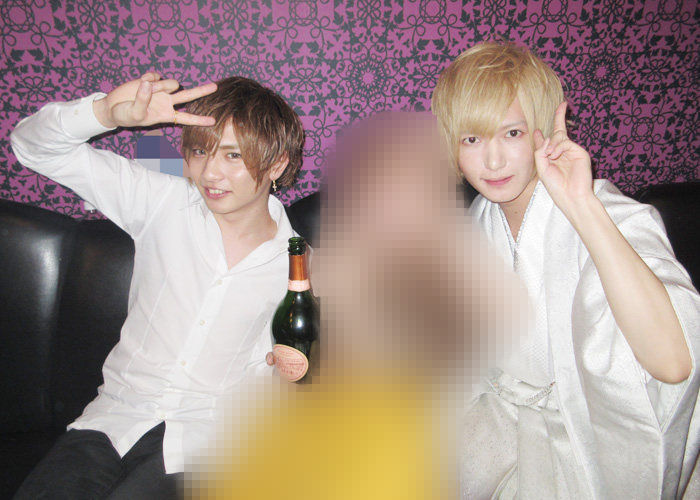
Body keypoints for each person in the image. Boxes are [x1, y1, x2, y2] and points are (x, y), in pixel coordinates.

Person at [9, 72, 305, 500]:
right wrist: (105, 113)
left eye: (233, 155)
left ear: (276, 164)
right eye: (200, 151)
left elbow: (284, 370)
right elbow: (31, 147)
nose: (209, 172)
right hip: (110, 421)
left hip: (206, 443)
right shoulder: (162, 201)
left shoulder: (300, 266)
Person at [431, 41, 700, 499]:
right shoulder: (477, 222)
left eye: (511, 133)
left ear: (542, 130)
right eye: (472, 139)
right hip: (500, 417)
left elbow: (674, 364)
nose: (493, 161)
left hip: (587, 432)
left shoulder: (612, 215)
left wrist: (581, 205)